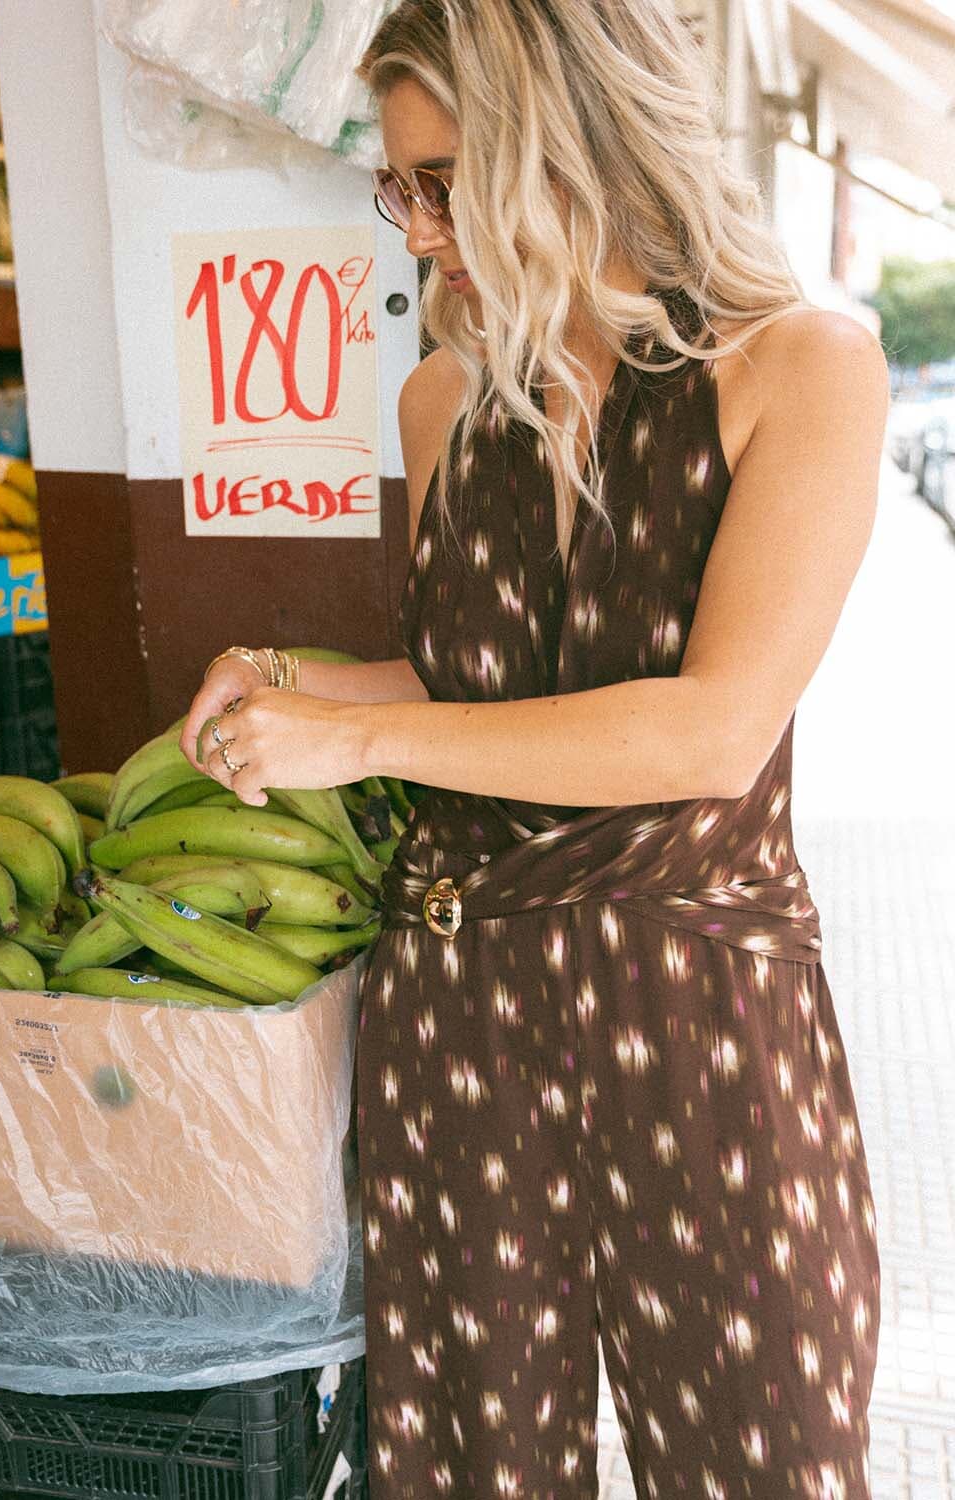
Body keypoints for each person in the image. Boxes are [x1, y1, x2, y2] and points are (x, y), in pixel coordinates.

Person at [181, 2, 889, 1495]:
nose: (422, 231)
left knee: (769, 1454)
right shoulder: (443, 399)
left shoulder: (802, 367)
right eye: (401, 187)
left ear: (576, 139)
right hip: (465, 1008)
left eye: (446, 181)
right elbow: (475, 686)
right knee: (470, 1465)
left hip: (700, 1015)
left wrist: (354, 737)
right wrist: (285, 679)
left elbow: (712, 731)